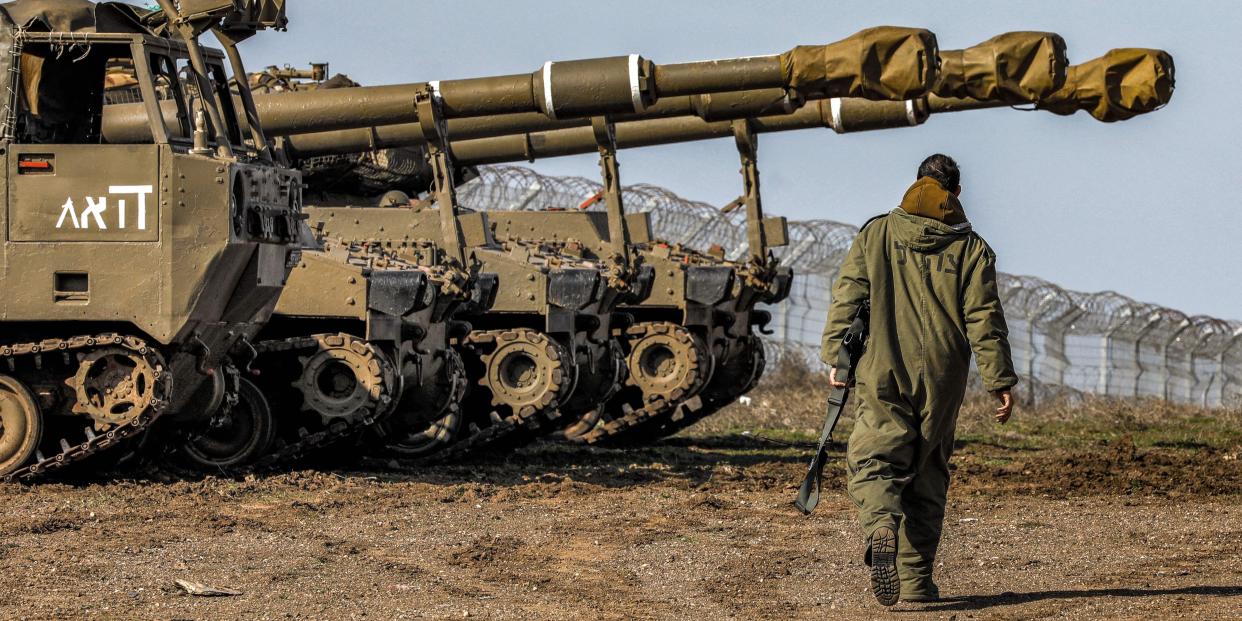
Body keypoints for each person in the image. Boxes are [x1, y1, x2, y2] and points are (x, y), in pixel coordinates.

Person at [820, 154, 1018, 606]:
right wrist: (999, 379)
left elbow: (848, 296)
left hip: (880, 365)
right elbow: (984, 319)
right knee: (928, 471)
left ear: (915, 183)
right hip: (944, 375)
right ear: (957, 193)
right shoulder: (972, 250)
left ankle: (881, 526)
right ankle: (914, 583)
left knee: (873, 459)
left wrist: (838, 357)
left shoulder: (876, 234)